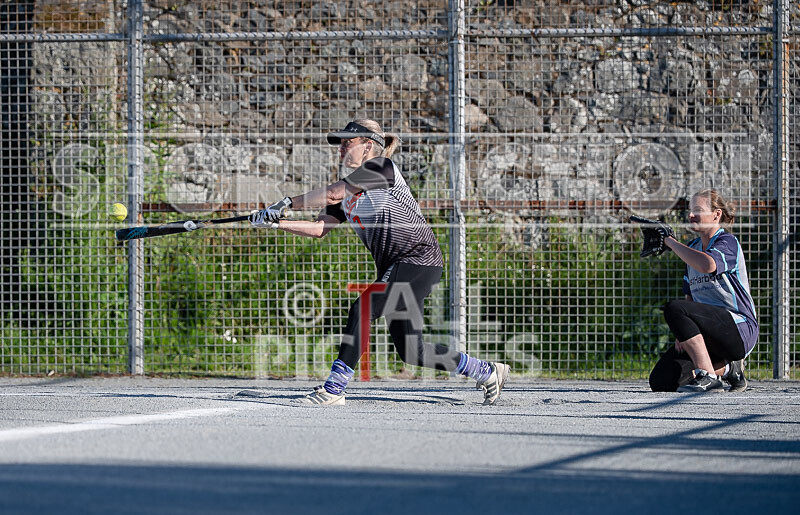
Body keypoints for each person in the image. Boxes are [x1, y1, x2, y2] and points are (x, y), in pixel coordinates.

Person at [249, 119, 509, 406]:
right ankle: (486, 371)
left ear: (368, 145)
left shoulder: (380, 168)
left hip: (418, 260)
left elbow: (333, 192)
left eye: (348, 143)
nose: (341, 149)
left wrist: (284, 203)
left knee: (363, 308)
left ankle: (334, 389)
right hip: (399, 267)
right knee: (412, 350)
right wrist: (277, 223)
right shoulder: (346, 195)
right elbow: (320, 228)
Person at [648, 189, 758, 393]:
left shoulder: (727, 242)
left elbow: (708, 265)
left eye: (697, 210)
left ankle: (708, 375)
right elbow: (689, 296)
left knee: (674, 308)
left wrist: (669, 242)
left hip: (739, 330)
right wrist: (682, 333)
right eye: (690, 210)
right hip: (707, 333)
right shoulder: (692, 247)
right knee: (662, 381)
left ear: (716, 214)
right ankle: (729, 370)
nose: (691, 215)